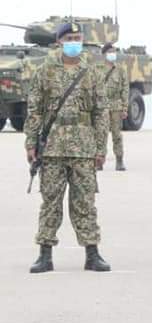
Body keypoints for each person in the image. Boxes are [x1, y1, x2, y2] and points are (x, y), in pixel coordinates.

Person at [26, 21, 111, 273]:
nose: (74, 42)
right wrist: (31, 142)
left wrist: (100, 148)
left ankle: (92, 253)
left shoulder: (92, 72)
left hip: (84, 147)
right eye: (69, 38)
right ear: (59, 42)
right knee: (50, 201)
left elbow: (101, 112)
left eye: (77, 37)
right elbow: (34, 110)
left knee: (85, 202)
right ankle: (44, 254)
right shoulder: (45, 71)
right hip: (52, 147)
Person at [97, 42, 129, 171]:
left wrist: (125, 107)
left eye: (114, 51)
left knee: (117, 134)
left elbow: (125, 89)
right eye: (110, 52)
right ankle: (99, 160)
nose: (112, 54)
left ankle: (119, 160)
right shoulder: (97, 69)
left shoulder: (121, 70)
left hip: (116, 106)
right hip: (102, 106)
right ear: (104, 54)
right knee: (101, 134)